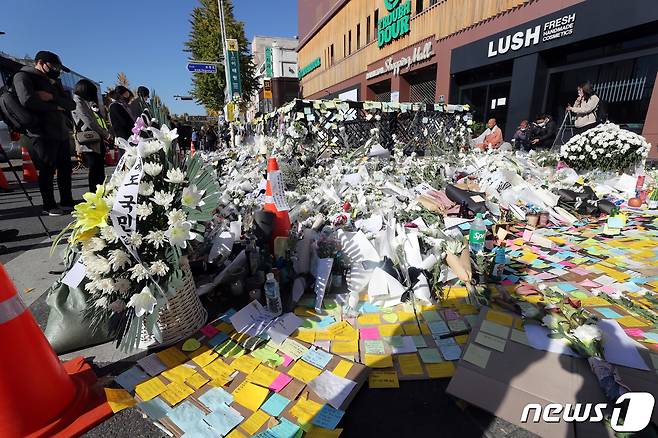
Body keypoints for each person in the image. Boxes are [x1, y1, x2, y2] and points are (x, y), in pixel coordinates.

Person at [13, 50, 76, 216]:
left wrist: (50, 98)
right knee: (47, 170)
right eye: (53, 66)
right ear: (40, 63)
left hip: (60, 131)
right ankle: (49, 204)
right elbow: (27, 100)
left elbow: (70, 104)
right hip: (40, 132)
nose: (56, 70)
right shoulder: (23, 76)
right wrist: (55, 106)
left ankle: (67, 201)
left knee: (65, 168)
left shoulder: (54, 81)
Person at [72, 79, 112, 192]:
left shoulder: (82, 102)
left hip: (93, 139)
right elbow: (89, 121)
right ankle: (95, 193)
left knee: (98, 168)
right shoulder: (77, 102)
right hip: (88, 140)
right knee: (95, 169)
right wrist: (105, 134)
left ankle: (99, 191)